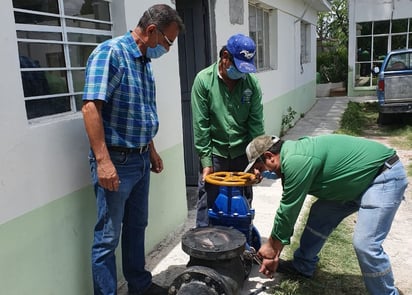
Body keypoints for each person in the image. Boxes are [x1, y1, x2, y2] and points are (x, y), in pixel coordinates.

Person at [82, 5, 184, 295]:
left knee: (137, 226)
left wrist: (150, 149)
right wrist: (103, 161)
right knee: (107, 238)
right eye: (167, 42)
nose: (167, 49)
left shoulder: (143, 62)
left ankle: (139, 285)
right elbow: (91, 107)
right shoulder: (110, 54)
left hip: (139, 160)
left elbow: (139, 111)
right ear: (152, 31)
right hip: (116, 160)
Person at [244, 134, 408, 295]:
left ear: (269, 156)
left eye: (259, 167)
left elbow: (288, 210)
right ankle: (303, 266)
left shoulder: (296, 160)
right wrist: (275, 250)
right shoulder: (291, 152)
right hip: (352, 183)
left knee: (366, 245)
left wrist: (272, 247)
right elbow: (285, 190)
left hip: (382, 177)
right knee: (320, 214)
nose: (259, 172)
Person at [191, 34, 265, 227]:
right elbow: (201, 126)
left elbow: (256, 124)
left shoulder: (251, 84)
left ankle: (241, 247)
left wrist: (257, 159)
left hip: (242, 153)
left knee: (242, 204)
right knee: (207, 204)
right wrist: (206, 163)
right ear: (225, 57)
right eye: (239, 67)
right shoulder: (204, 81)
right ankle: (203, 251)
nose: (242, 73)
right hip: (215, 154)